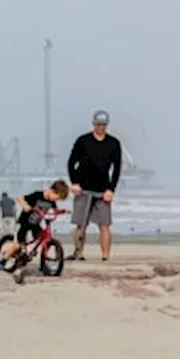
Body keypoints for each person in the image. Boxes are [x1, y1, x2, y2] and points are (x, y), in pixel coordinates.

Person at [67, 109, 124, 261]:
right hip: (83, 189)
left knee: (105, 225)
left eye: (104, 124)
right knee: (81, 224)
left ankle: (105, 255)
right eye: (98, 124)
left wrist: (111, 189)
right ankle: (78, 253)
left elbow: (117, 168)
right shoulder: (82, 141)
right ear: (93, 124)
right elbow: (71, 163)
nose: (101, 127)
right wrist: (75, 183)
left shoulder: (114, 143)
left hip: (102, 190)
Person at [0, 180, 70, 270]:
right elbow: (20, 198)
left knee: (42, 238)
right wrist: (25, 205)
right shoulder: (37, 196)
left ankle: (43, 261)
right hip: (24, 223)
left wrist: (62, 211)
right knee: (18, 245)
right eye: (57, 197)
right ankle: (2, 261)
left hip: (35, 225)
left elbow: (54, 210)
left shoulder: (52, 202)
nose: (56, 200)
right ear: (52, 191)